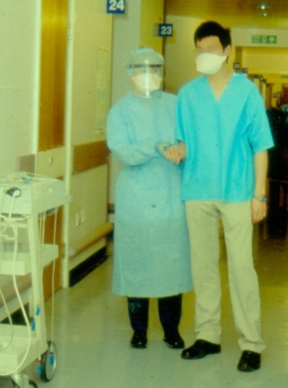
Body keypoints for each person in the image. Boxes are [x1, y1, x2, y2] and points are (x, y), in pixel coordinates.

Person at [165, 21, 274, 372]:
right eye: (198, 50)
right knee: (203, 267)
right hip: (197, 189)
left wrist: (260, 194)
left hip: (239, 190)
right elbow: (183, 138)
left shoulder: (247, 93)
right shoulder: (188, 94)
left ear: (226, 51)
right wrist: (178, 150)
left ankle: (251, 342)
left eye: (210, 50)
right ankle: (207, 336)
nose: (203, 56)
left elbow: (261, 146)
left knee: (242, 268)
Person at [106, 48, 192, 349]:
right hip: (136, 196)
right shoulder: (120, 111)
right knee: (137, 263)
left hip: (171, 191)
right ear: (130, 73)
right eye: (142, 69)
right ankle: (139, 330)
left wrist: (182, 146)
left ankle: (171, 330)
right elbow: (124, 151)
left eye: (155, 68)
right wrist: (155, 145)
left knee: (173, 264)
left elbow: (189, 135)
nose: (149, 74)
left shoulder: (176, 104)